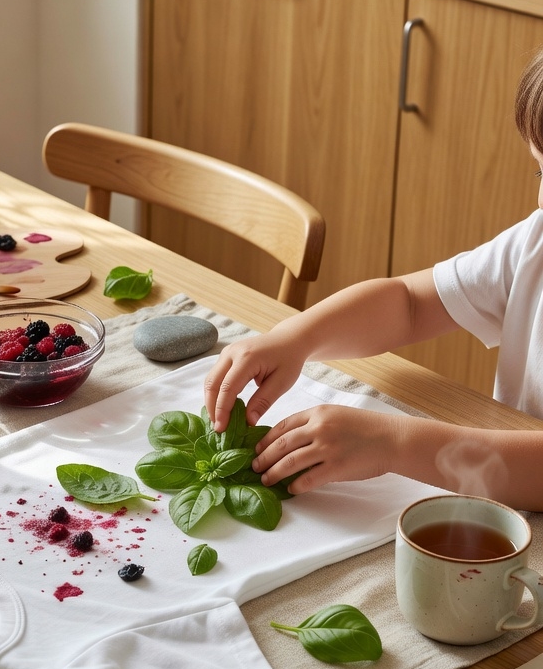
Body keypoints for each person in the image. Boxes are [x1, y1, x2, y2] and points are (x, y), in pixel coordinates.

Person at [204, 49, 543, 512]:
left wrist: (393, 443)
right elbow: (409, 304)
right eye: (542, 170)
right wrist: (295, 338)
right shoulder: (533, 243)